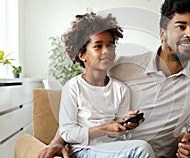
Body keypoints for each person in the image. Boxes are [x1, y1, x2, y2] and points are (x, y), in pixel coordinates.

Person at [38, 0, 190, 158]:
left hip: (167, 155)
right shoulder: (122, 67)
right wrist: (58, 140)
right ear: (162, 33)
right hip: (125, 152)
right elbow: (85, 98)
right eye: (181, 27)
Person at [57, 12, 154, 158]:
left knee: (141, 147)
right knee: (142, 149)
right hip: (83, 150)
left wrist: (126, 125)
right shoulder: (73, 87)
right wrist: (104, 128)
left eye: (110, 46)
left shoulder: (121, 90)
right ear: (81, 55)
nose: (106, 51)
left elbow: (123, 138)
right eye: (98, 46)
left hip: (112, 149)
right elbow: (67, 133)